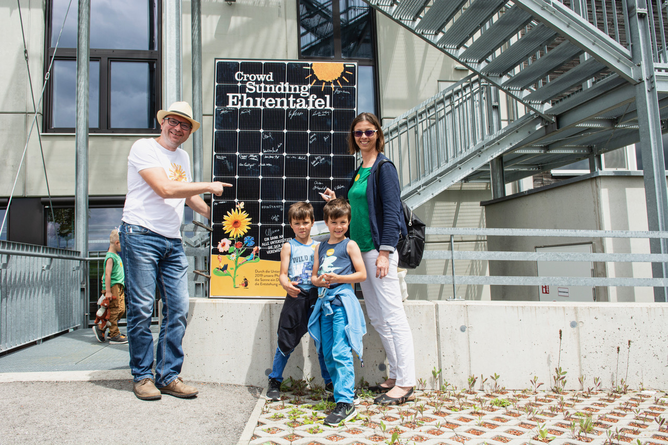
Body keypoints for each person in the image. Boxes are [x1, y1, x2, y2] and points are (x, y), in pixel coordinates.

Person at [119, 101, 231, 401]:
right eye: (174, 121)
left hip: (172, 239)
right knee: (141, 309)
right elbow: (166, 189)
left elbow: (187, 196)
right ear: (162, 122)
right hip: (140, 234)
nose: (178, 128)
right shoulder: (143, 148)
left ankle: (167, 376)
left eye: (185, 125)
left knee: (178, 309)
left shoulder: (181, 155)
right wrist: (210, 185)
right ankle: (142, 376)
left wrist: (218, 218)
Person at [322, 112, 416, 405]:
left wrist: (386, 252)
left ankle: (407, 382)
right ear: (353, 137)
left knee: (393, 315)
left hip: (378, 252)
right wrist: (337, 199)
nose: (363, 136)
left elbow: (391, 211)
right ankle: (395, 375)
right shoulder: (359, 169)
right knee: (376, 316)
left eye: (369, 132)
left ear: (378, 134)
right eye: (359, 132)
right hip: (361, 252)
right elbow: (359, 207)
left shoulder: (384, 167)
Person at [308, 198, 366, 426]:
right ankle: (337, 389)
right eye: (334, 222)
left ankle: (345, 402)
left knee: (341, 351)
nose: (339, 226)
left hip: (342, 303)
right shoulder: (320, 247)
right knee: (326, 351)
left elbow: (361, 275)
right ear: (326, 222)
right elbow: (313, 277)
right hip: (324, 304)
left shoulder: (350, 245)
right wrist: (318, 281)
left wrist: (339, 279)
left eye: (343, 222)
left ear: (348, 222)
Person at [266, 202, 332, 401]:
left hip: (316, 298)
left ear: (312, 222)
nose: (302, 227)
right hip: (296, 297)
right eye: (297, 223)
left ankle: (330, 382)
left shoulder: (319, 246)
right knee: (285, 340)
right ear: (291, 224)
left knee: (322, 342)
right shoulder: (288, 246)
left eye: (305, 222)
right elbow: (283, 275)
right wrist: (286, 285)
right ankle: (275, 380)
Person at [93, 229, 127, 344]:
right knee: (114, 310)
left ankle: (102, 327)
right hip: (113, 287)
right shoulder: (110, 257)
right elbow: (107, 274)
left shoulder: (116, 255)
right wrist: (108, 291)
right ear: (117, 243)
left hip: (119, 286)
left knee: (121, 309)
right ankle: (114, 334)